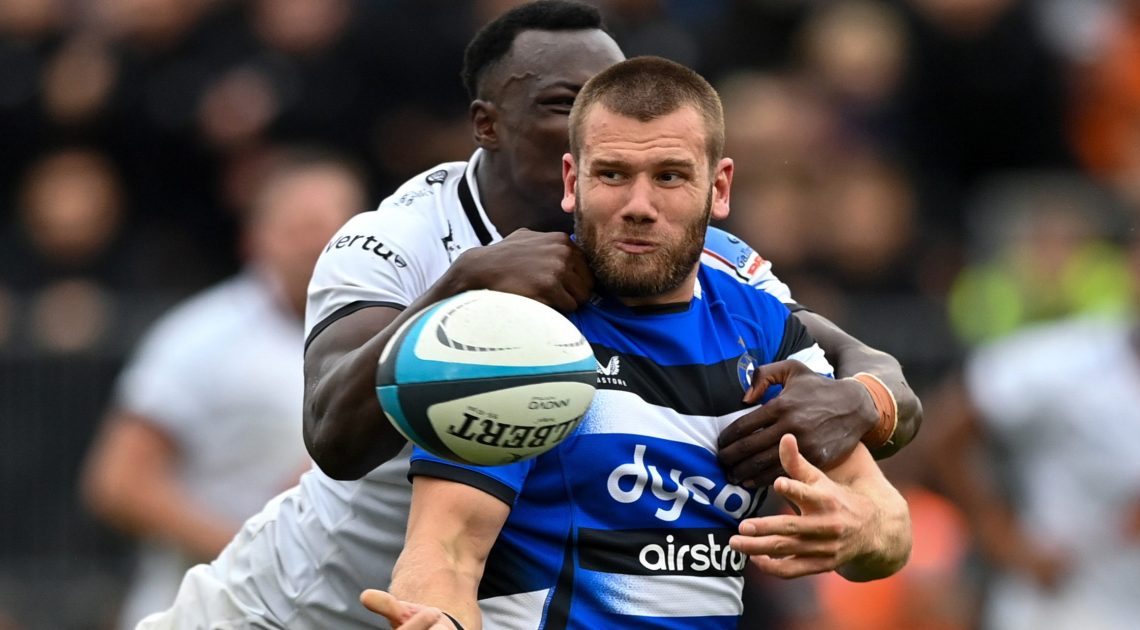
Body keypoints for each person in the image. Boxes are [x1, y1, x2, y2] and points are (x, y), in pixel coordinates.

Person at [138, 3, 919, 628]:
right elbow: (334, 437)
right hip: (304, 604)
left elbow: (852, 359)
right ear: (489, 125)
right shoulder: (400, 239)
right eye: (565, 108)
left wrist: (863, 403)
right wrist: (460, 289)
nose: (601, 117)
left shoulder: (703, 262)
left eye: (611, 99)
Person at [362, 55, 911, 630]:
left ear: (718, 187)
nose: (639, 207)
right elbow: (444, 550)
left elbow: (889, 524)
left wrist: (856, 530)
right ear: (573, 183)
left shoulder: (765, 327)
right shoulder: (516, 333)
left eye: (670, 176)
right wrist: (439, 620)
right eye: (613, 174)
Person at [80, 149, 365, 629]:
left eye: (337, 227)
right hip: (204, 611)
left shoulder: (394, 336)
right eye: (301, 227)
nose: (320, 244)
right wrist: (254, 553)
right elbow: (118, 483)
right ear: (255, 238)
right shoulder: (199, 338)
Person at [931, 210, 1140, 630]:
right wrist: (1000, 536)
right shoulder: (1066, 359)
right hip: (1056, 608)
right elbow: (948, 430)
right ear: (1132, 270)